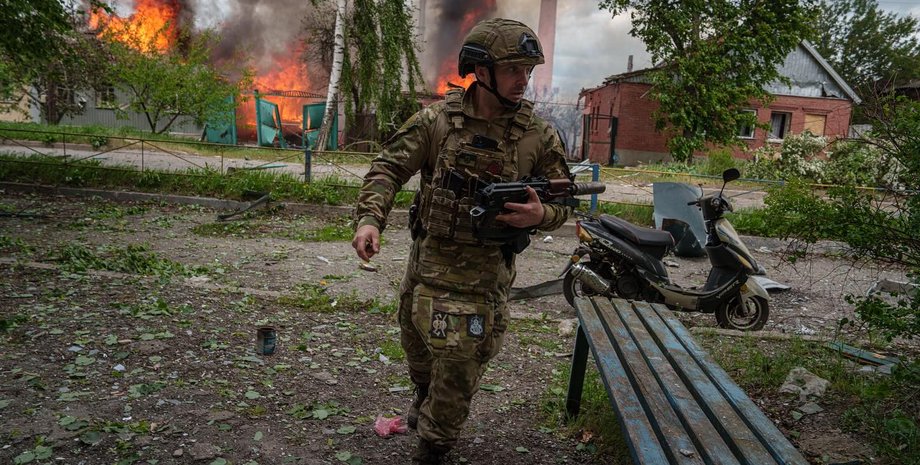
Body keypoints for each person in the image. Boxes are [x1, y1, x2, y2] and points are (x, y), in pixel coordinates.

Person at [351, 18, 572, 464]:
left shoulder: (537, 135)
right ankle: (423, 395)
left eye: (528, 71)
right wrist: (369, 220)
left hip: (484, 274)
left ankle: (434, 446)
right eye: (514, 70)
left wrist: (540, 214)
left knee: (458, 363)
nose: (523, 80)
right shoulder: (437, 120)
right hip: (427, 262)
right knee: (417, 347)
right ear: (481, 70)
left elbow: (565, 201)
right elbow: (389, 167)